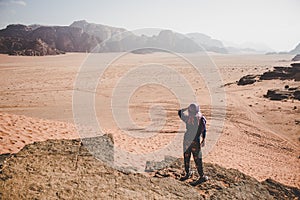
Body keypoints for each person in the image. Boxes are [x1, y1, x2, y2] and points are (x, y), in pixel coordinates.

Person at [178, 103, 208, 186]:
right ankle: (202, 176)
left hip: (187, 139)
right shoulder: (200, 118)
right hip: (195, 141)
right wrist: (203, 139)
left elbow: (180, 112)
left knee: (186, 156)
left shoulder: (188, 117)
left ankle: (188, 173)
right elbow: (203, 130)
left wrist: (186, 108)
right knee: (197, 158)